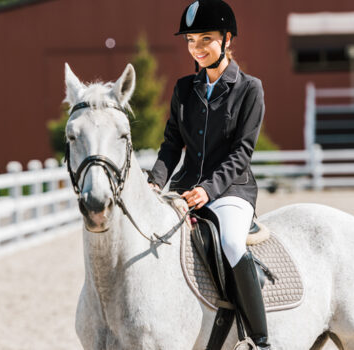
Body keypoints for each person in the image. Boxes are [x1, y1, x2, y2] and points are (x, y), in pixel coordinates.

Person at [147, 0, 270, 348]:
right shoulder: (185, 89)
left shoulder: (250, 89)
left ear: (227, 39)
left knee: (231, 242)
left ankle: (259, 340)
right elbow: (171, 145)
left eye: (205, 39)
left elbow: (241, 153)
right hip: (185, 189)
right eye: (190, 40)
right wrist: (155, 180)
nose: (196, 48)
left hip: (231, 190)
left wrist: (208, 189)